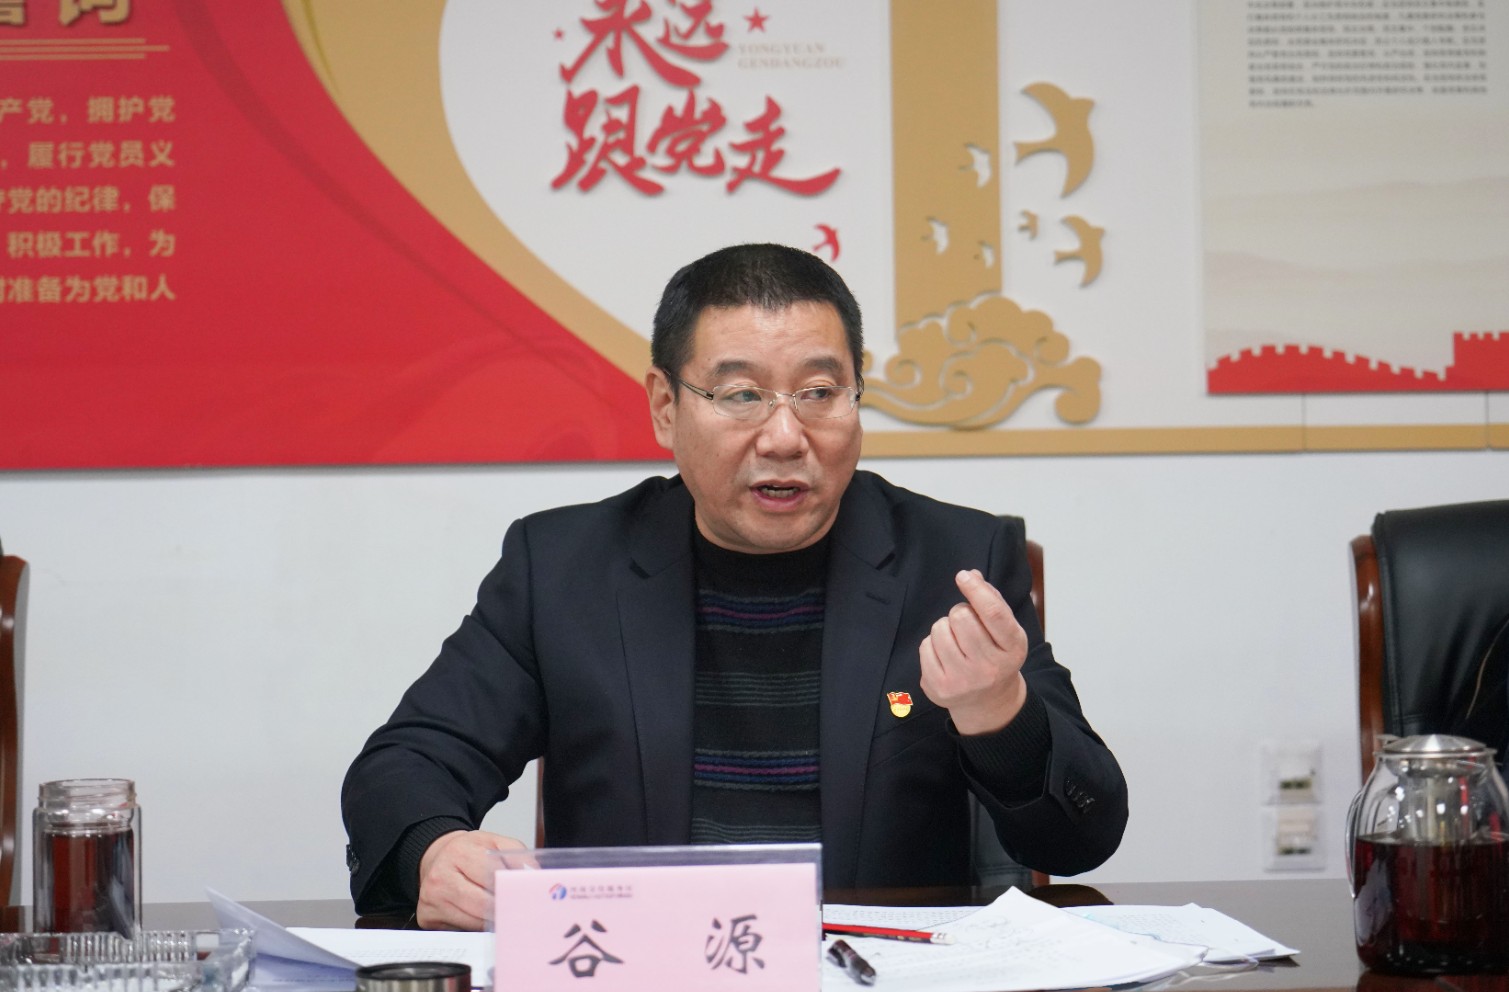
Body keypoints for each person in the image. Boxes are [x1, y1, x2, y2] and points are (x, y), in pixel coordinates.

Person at [342, 243, 1127, 929]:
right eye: (741, 395)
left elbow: (1080, 837)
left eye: (819, 393)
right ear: (665, 408)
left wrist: (999, 715)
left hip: (873, 978)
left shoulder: (954, 563)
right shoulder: (562, 567)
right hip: (646, 977)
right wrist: (433, 851)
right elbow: (407, 764)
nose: (784, 437)